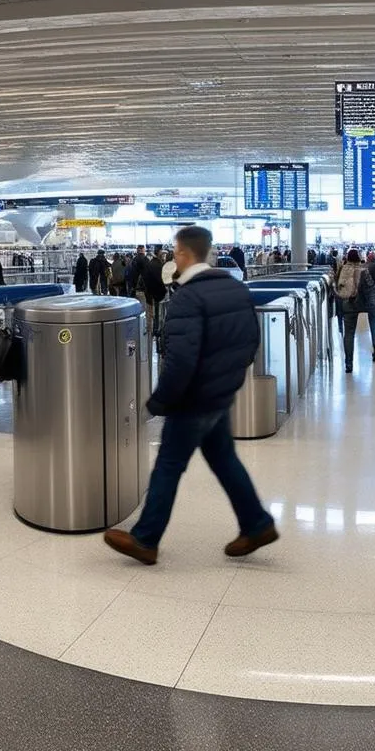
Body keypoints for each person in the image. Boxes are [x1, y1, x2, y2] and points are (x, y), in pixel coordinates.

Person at [104, 225, 277, 564]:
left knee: (168, 466)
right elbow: (250, 341)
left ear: (182, 254)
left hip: (193, 400)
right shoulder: (233, 287)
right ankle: (256, 523)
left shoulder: (187, 297)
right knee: (225, 461)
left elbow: (180, 360)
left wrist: (159, 401)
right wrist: (226, 381)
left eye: (175, 251)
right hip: (219, 396)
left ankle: (145, 539)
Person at [335, 248, 375, 373]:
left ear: (347, 258)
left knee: (349, 334)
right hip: (365, 302)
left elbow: (337, 285)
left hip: (348, 304)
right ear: (358, 258)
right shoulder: (363, 270)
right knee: (373, 320)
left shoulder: (342, 269)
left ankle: (348, 364)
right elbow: (370, 287)